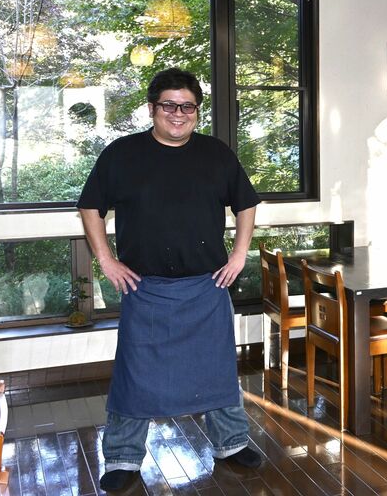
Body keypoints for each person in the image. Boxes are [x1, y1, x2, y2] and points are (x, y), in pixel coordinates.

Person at [76, 68, 262, 492]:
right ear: (152, 108)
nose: (178, 114)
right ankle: (123, 457)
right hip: (146, 289)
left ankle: (232, 443)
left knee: (218, 370)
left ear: (197, 111)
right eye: (169, 105)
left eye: (187, 107)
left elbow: (246, 204)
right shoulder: (122, 154)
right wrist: (105, 259)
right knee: (134, 375)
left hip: (207, 287)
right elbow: (90, 207)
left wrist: (239, 254)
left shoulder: (216, 154)